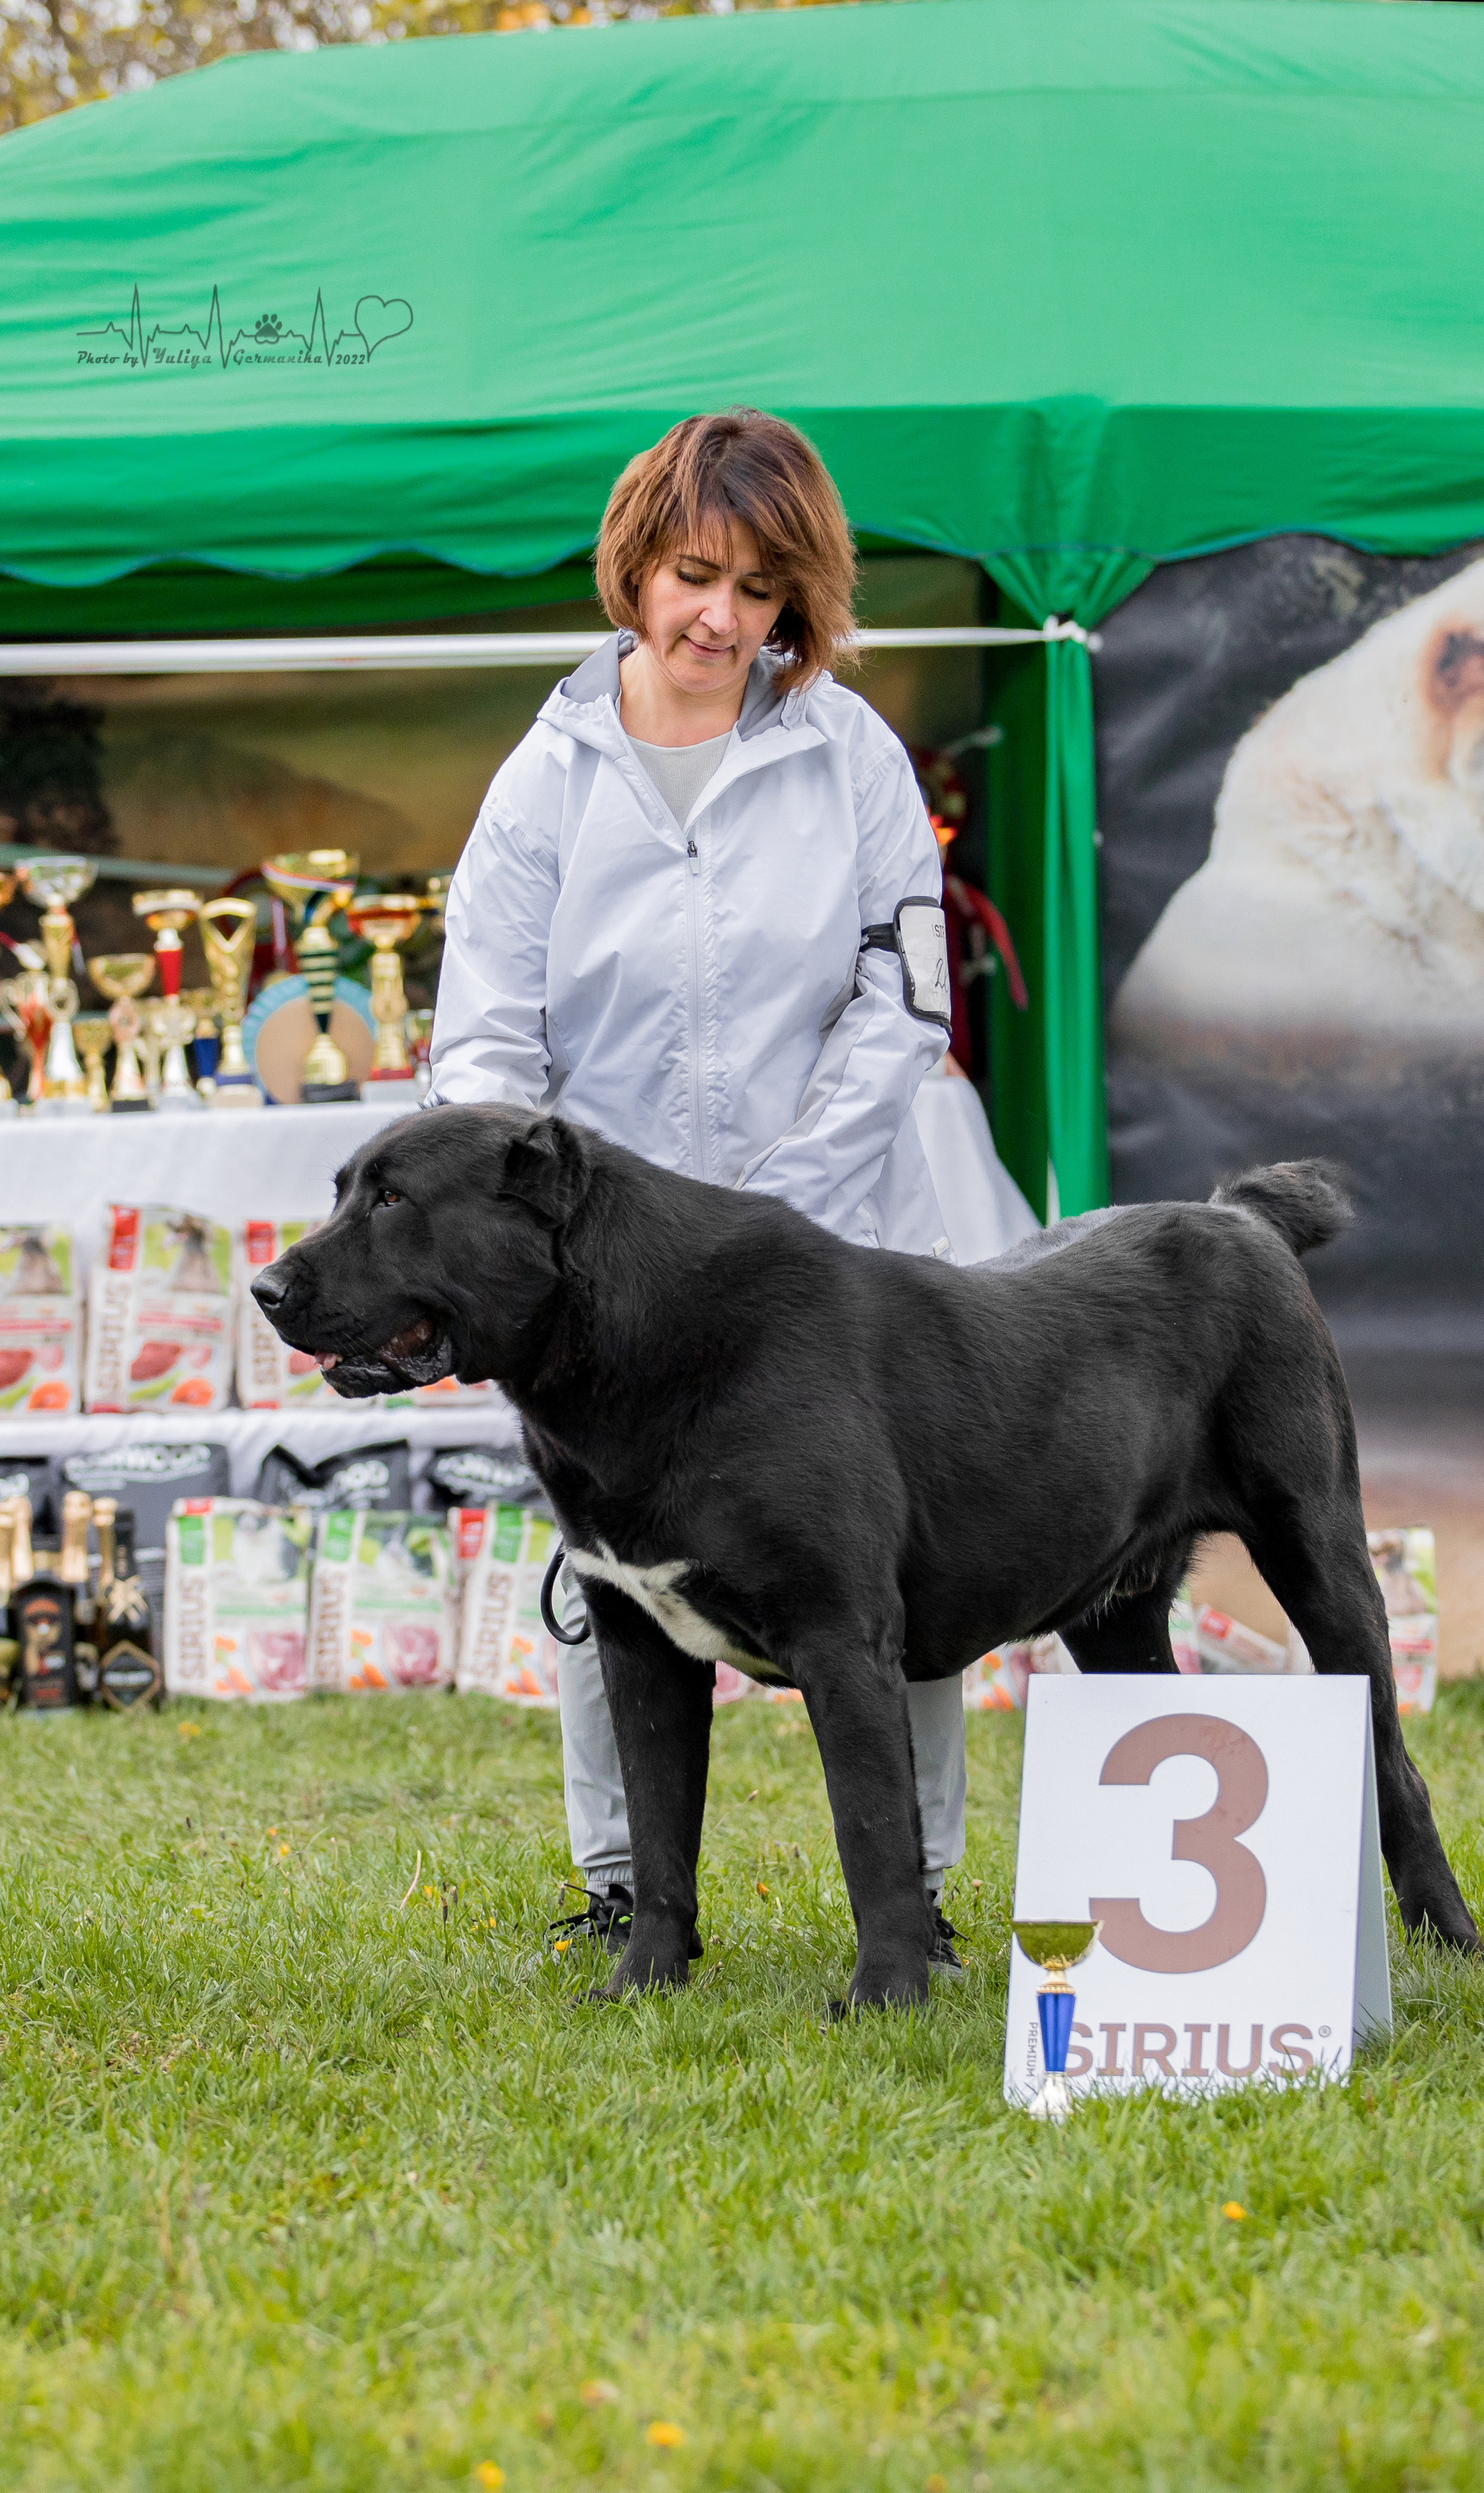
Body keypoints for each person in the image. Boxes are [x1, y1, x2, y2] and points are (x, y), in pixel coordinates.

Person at [427, 408, 970, 1970]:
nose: (721, 618)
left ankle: (913, 1888)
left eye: (758, 589)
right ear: (634, 573)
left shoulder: (853, 754)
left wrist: (785, 1206)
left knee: (890, 1569)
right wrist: (516, 1230)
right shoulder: (543, 780)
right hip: (601, 1274)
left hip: (836, 1247)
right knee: (610, 1575)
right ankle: (625, 1887)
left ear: (800, 598)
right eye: (690, 576)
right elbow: (484, 1040)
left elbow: (902, 1005)